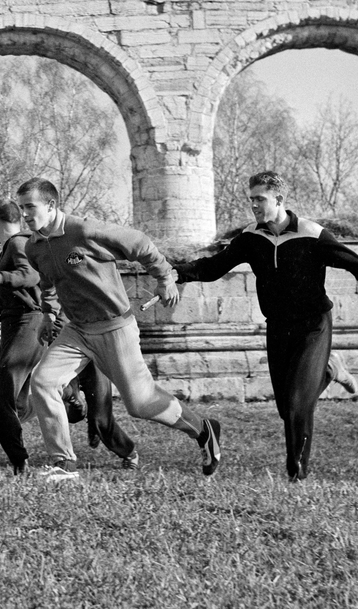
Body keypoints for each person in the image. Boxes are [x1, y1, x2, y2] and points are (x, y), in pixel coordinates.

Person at [175, 170, 358, 482]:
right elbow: (214, 266)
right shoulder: (251, 238)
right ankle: (331, 371)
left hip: (313, 326)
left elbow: (357, 264)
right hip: (277, 328)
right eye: (251, 200)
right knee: (286, 409)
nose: (254, 206)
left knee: (297, 406)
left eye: (260, 199)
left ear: (280, 200)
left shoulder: (312, 235)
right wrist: (176, 272)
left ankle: (296, 474)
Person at [16, 178, 222, 482]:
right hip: (77, 331)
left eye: (30, 207)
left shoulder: (84, 231)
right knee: (43, 381)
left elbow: (139, 243)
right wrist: (48, 313)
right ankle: (64, 464)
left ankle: (203, 430)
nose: (25, 215)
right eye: (21, 209)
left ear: (51, 206)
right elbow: (48, 282)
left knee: (140, 403)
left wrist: (165, 277)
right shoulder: (34, 247)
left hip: (115, 328)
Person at [0, 198, 139, 474]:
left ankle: (21, 461)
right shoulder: (32, 243)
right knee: (94, 404)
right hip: (59, 325)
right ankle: (75, 401)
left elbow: (29, 277)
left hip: (36, 325)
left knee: (1, 398)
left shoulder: (17, 243)